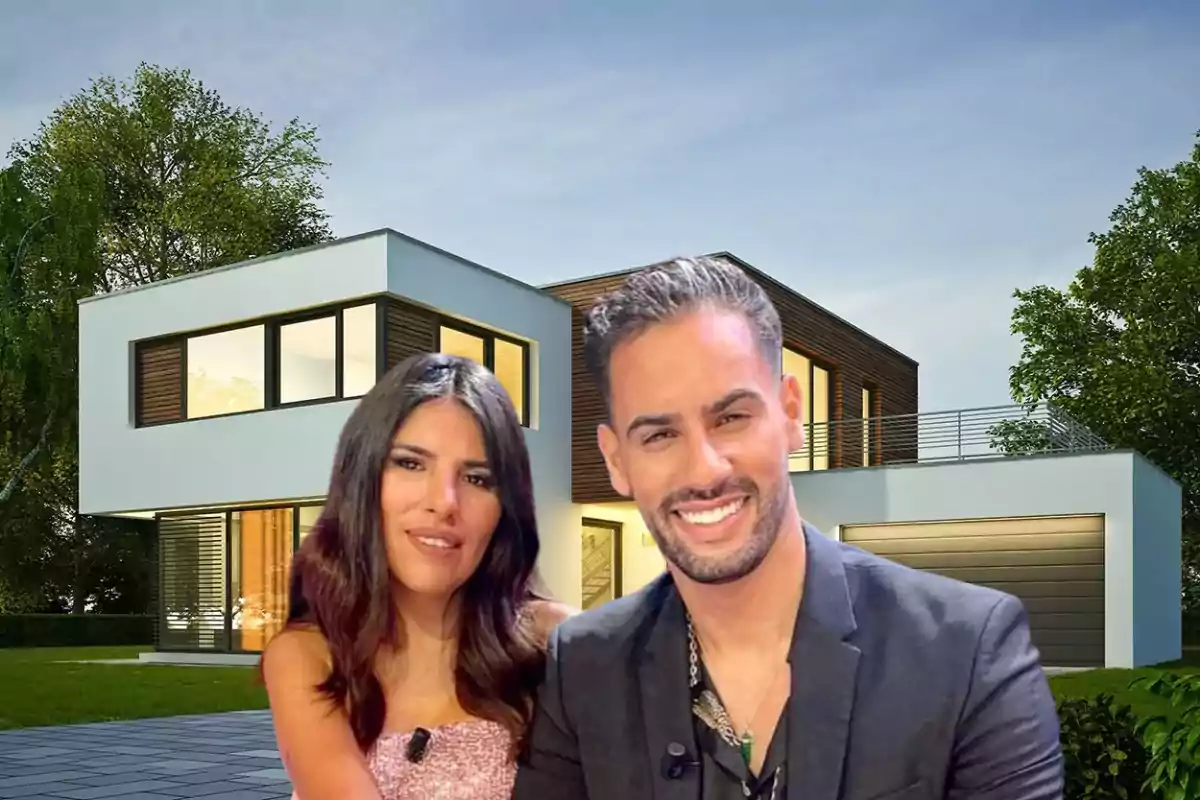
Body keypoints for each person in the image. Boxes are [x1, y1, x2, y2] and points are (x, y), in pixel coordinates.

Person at [512, 255, 1064, 799]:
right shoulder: (583, 668)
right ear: (616, 461)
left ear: (790, 413)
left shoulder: (966, 652)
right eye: (659, 435)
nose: (704, 469)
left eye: (730, 418)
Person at [262, 352, 573, 800]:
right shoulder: (309, 656)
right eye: (410, 463)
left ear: (505, 509)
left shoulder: (559, 642)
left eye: (478, 478)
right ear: (363, 479)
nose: (444, 501)